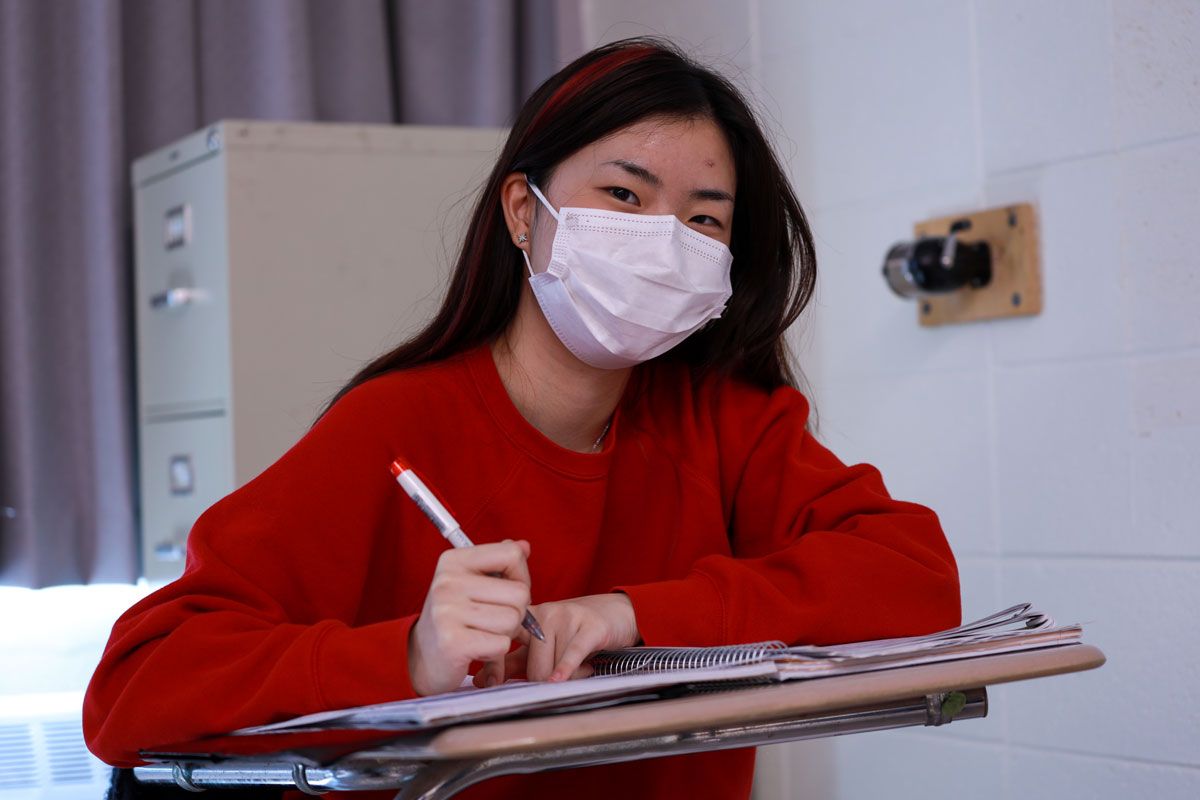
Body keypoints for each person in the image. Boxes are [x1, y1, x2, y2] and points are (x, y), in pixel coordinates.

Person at [84, 36, 960, 800]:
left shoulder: (728, 420)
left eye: (702, 221)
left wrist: (631, 616)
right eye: (625, 196)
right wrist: (410, 658)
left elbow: (916, 579)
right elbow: (133, 688)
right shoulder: (392, 429)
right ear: (521, 213)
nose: (665, 242)